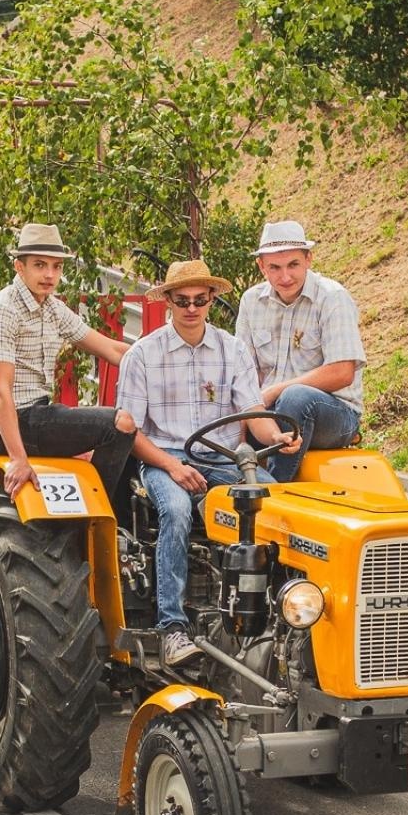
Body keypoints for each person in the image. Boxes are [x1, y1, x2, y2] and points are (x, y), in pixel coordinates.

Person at [117, 259, 301, 667]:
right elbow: (131, 432)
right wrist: (172, 466)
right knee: (177, 511)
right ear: (168, 301)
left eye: (200, 300)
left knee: (279, 504)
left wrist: (276, 437)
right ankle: (172, 628)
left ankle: (286, 614)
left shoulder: (230, 349)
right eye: (182, 300)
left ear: (212, 300)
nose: (191, 308)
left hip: (222, 455)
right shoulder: (143, 355)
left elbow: (252, 410)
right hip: (166, 457)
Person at [0, 222, 138, 501]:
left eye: (56, 267)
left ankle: (125, 526)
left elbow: (111, 349)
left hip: (37, 417)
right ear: (19, 267)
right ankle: (98, 513)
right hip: (5, 425)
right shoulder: (3, 311)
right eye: (39, 265)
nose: (50, 275)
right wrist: (18, 459)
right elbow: (0, 391)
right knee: (119, 424)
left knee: (133, 435)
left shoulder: (51, 308)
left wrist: (159, 362)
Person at [235, 219, 365, 482]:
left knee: (295, 398)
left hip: (334, 412)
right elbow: (243, 374)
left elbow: (342, 372)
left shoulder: (332, 297)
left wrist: (274, 391)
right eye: (275, 267)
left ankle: (273, 489)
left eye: (293, 265)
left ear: (308, 259)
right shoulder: (251, 301)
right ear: (262, 267)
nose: (285, 277)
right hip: (271, 413)